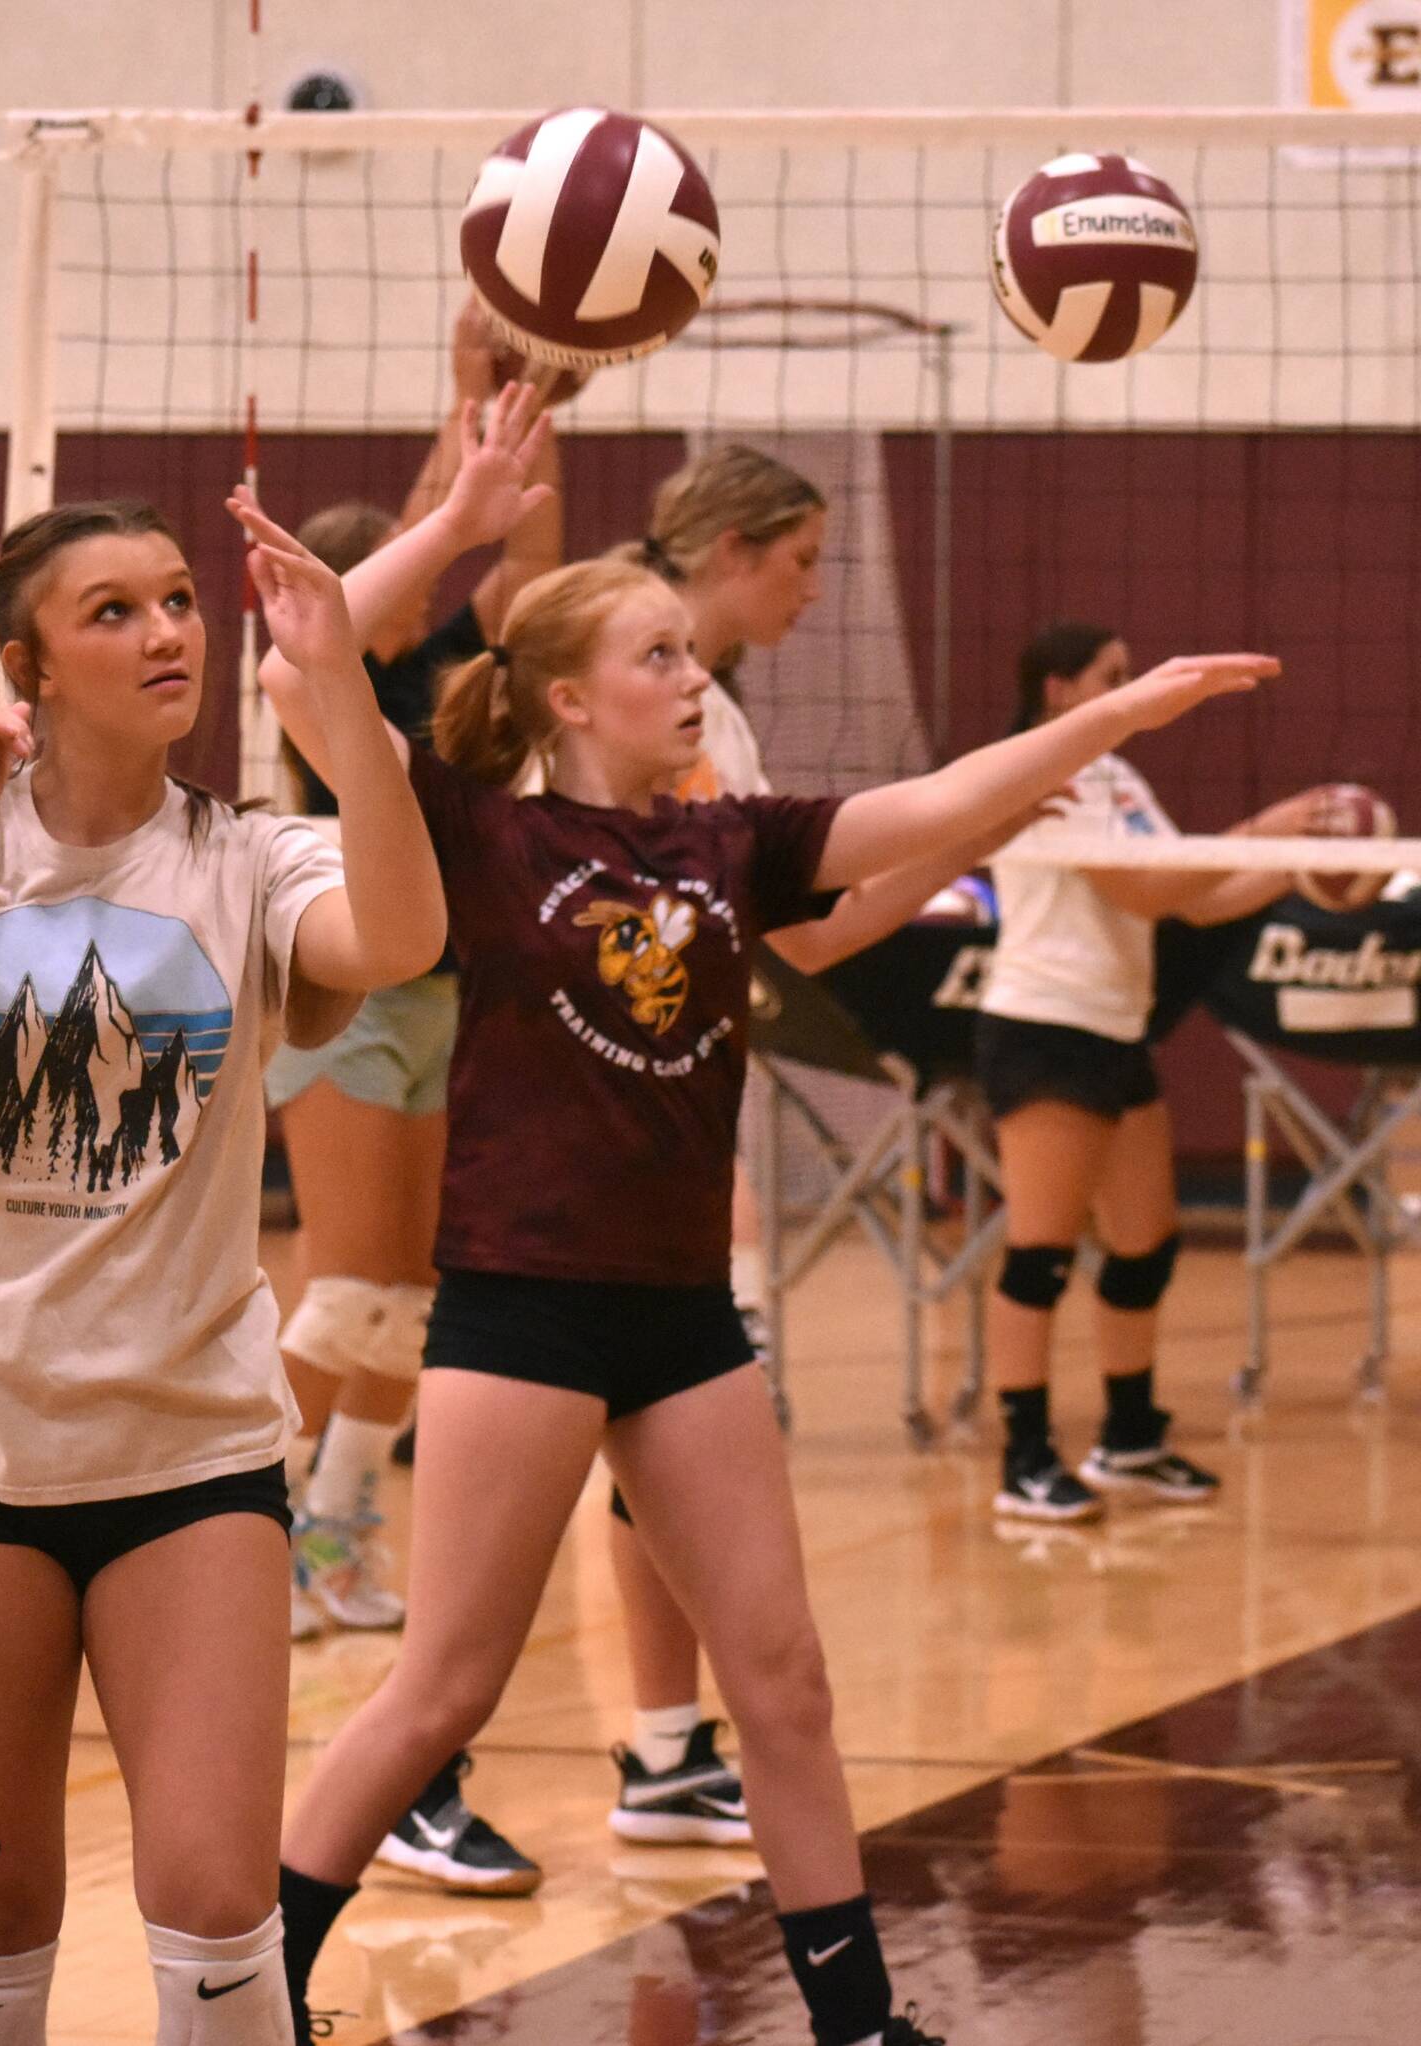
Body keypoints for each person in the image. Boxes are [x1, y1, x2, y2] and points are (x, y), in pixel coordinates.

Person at [247, 487, 1274, 2046]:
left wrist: (1116, 715)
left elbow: (932, 806)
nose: (689, 680)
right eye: (658, 654)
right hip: (520, 1305)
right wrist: (456, 510)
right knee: (445, 1686)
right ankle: (245, 1990)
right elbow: (306, 672)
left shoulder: (734, 842)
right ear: (572, 696)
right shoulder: (482, 825)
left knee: (784, 1678)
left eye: (687, 652)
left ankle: (857, 2023)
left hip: (680, 1321)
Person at [0, 496, 443, 2046]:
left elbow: (398, 935)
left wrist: (350, 706)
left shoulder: (251, 857)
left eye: (179, 600)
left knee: (209, 1894)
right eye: (113, 610)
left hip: (188, 1450)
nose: (167, 631)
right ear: (23, 665)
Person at [596, 445, 1043, 1855]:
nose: (814, 586)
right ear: (730, 544)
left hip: (661, 1103)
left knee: (651, 1443)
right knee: (593, 1441)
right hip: (595, 1106)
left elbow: (805, 932)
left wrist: (977, 820)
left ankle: (667, 1750)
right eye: (800, 558)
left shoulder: (698, 699)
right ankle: (477, 1764)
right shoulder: (642, 675)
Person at [268, 312, 564, 1654]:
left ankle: (335, 1528)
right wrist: (459, 395)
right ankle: (252, 1517)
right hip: (350, 989)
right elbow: (408, 559)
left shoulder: (455, 679)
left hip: (449, 993)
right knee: (346, 1285)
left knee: (408, 1298)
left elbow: (531, 569)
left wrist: (521, 405)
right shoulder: (334, 683)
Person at [979, 621, 1326, 1524]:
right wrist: (1266, 830)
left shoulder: (1117, 773)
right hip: (1045, 1026)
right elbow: (1142, 889)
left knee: (1145, 1242)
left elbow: (1195, 898)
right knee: (1042, 1253)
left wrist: (1298, 860)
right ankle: (1023, 1457)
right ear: (1058, 688)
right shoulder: (1041, 764)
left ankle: (1128, 1438)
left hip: (1112, 1026)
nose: (1133, 688)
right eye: (1114, 675)